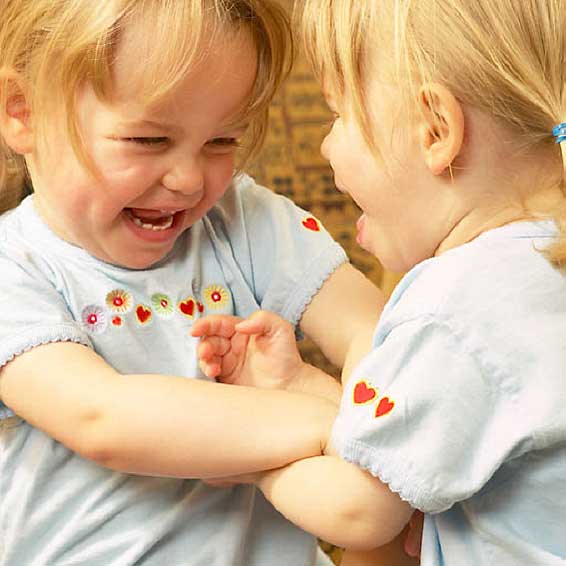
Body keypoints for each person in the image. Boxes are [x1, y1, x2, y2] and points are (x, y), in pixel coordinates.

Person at [0, 1, 386, 564]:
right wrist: (331, 421)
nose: (187, 181)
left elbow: (375, 334)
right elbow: (101, 418)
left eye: (222, 141)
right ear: (23, 112)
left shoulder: (243, 218)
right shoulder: (15, 267)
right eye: (147, 141)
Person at [192, 0, 566, 564]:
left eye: (338, 115)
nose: (325, 146)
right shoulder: (536, 272)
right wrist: (299, 388)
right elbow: (415, 434)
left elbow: (358, 509)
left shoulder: (451, 304)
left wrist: (248, 457)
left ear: (435, 130)